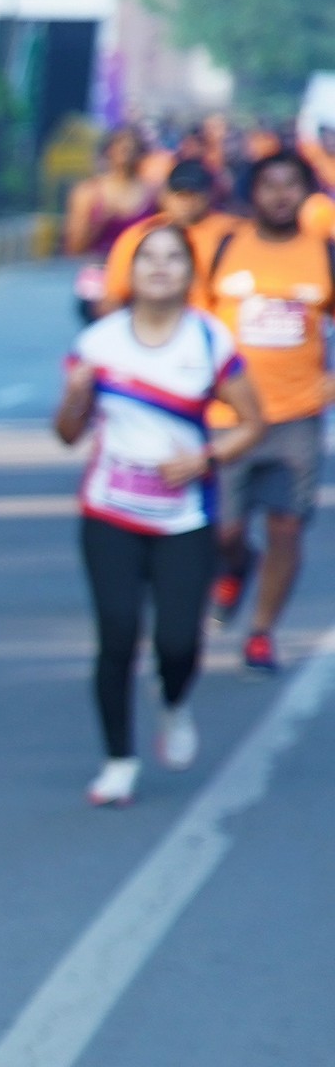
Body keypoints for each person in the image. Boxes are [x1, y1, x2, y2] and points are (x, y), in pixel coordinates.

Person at [55, 223, 265, 805]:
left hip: (183, 519)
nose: (160, 267)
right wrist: (75, 396)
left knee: (177, 643)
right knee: (117, 634)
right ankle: (118, 761)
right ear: (132, 271)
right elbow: (67, 433)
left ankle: (172, 702)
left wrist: (205, 458)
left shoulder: (209, 341)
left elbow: (253, 423)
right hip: (109, 513)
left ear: (190, 273)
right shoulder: (100, 343)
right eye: (149, 257)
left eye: (174, 258)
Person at [197, 150, 335, 670]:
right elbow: (195, 323)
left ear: (306, 193)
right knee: (223, 530)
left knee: (287, 526)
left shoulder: (323, 253)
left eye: (291, 184)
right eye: (270, 185)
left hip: (297, 416)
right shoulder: (225, 248)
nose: (280, 195)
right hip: (229, 417)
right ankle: (235, 565)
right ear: (252, 193)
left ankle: (261, 631)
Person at [96, 159, 228, 317]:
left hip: (212, 320)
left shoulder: (230, 232)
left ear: (209, 194)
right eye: (179, 194)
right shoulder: (141, 234)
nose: (185, 201)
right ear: (165, 195)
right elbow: (113, 297)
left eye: (192, 194)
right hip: (155, 321)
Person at [66, 128, 158, 322]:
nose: (126, 153)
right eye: (121, 147)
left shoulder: (153, 192)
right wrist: (100, 223)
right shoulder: (89, 192)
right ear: (108, 151)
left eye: (132, 148)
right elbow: (75, 247)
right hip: (99, 275)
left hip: (137, 277)